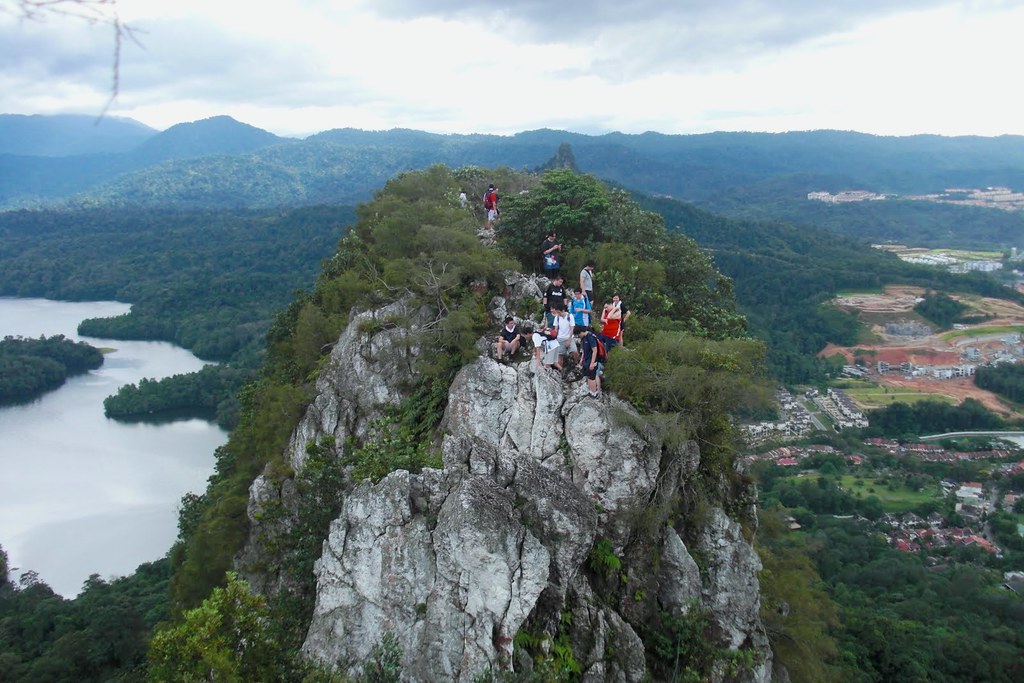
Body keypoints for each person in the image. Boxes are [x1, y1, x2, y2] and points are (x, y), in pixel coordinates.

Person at [576, 326, 604, 396]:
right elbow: (584, 350)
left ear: (581, 332)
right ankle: (591, 391)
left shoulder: (591, 337)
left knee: (592, 377)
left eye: (578, 334)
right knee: (588, 376)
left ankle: (594, 392)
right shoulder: (584, 338)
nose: (578, 336)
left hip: (591, 360)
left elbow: (595, 350)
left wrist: (592, 363)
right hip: (587, 360)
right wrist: (582, 359)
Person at [551, 305, 574, 372]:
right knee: (560, 356)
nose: (558, 314)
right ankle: (561, 371)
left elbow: (572, 328)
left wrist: (569, 340)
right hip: (560, 338)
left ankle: (576, 365)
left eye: (559, 312)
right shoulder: (557, 317)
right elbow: (556, 329)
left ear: (563, 311)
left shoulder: (570, 316)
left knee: (574, 352)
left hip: (569, 337)